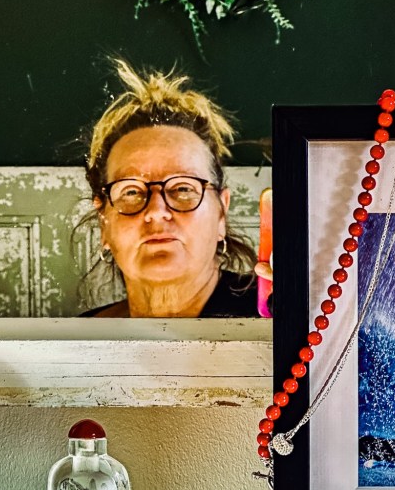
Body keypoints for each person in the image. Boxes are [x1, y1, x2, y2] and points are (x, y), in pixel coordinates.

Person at [81, 61, 268, 318]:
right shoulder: (80, 342)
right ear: (104, 223)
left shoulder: (278, 318)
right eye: (132, 192)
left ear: (221, 213)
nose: (157, 212)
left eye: (182, 188)